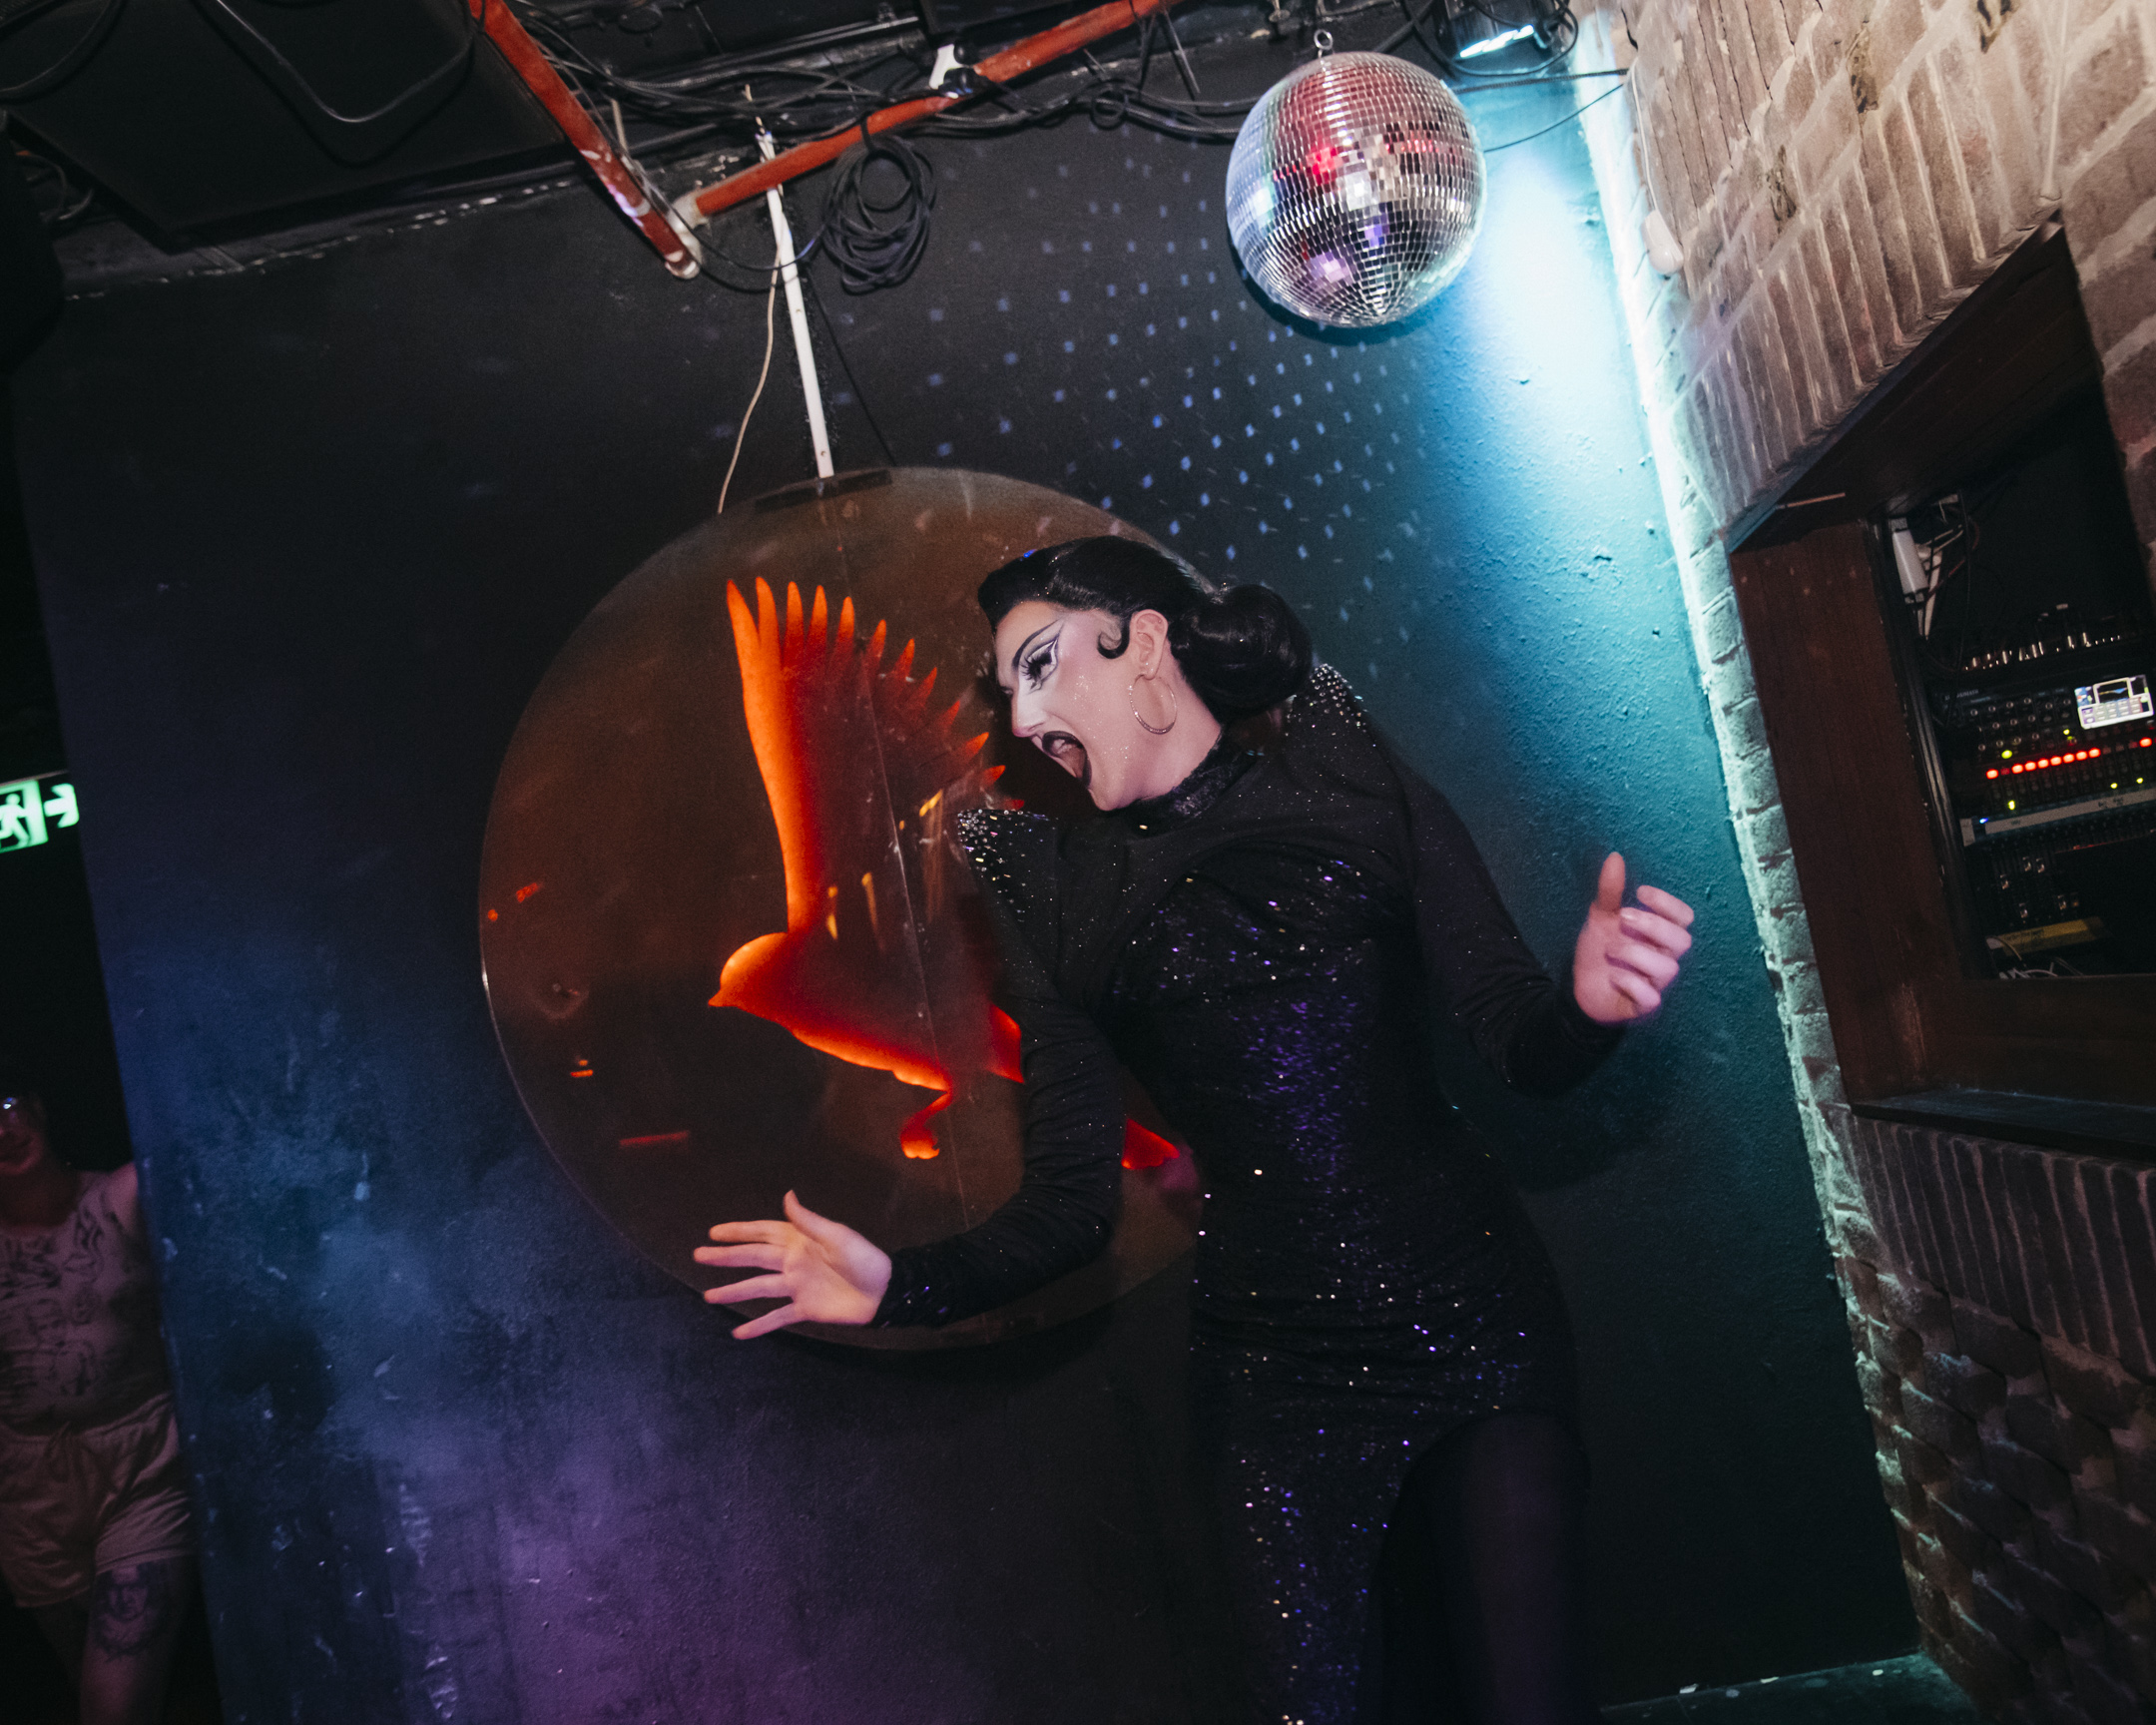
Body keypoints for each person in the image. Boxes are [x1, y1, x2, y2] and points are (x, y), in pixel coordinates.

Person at [698, 538, 1696, 1723]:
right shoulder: (1044, 879)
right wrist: (896, 1286)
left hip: (1477, 1323)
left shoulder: (1336, 756)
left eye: (1040, 666)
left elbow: (1518, 1039)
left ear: (1145, 643)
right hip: (1275, 1375)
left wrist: (1588, 1012)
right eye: (1006, 690)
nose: (1022, 719)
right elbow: (1072, 1202)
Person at [0, 1080, 197, 1725]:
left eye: (5, 1107)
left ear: (37, 1106)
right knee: (88, 1694)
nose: (2, 1130)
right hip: (28, 1497)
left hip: (139, 1468)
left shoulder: (121, 1196)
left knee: (114, 1708)